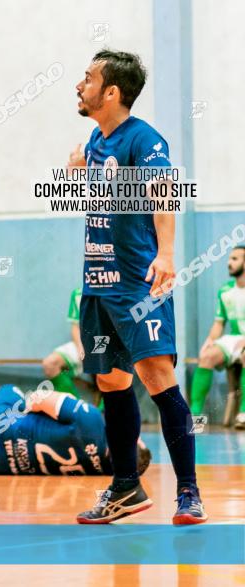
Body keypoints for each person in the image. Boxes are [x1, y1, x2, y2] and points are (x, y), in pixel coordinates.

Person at [69, 50, 205, 524]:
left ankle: (188, 491)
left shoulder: (144, 139)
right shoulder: (95, 138)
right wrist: (78, 174)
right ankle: (126, 486)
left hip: (136, 284)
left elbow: (162, 191)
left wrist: (165, 255)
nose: (79, 85)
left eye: (88, 79)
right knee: (110, 381)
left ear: (111, 92)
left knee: (156, 378)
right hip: (97, 282)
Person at [0, 385, 151, 477]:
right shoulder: (104, 471)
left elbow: (40, 397)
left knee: (7, 392)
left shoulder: (93, 421)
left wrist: (23, 408)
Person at [188, 246, 245, 428]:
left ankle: (243, 413)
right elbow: (219, 323)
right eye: (229, 258)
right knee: (206, 356)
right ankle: (195, 417)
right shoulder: (225, 291)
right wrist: (210, 341)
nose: (229, 262)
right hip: (235, 338)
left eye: (235, 259)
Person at [40, 287, 84, 398]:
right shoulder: (78, 293)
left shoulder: (114, 290)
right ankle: (74, 405)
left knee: (112, 366)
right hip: (84, 343)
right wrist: (80, 348)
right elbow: (75, 326)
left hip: (107, 344)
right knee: (49, 364)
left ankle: (104, 410)